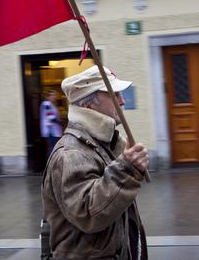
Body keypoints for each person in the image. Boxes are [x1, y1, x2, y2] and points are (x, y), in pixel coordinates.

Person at [41, 65, 149, 260]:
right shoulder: (71, 153)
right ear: (89, 105)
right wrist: (126, 169)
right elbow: (89, 213)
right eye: (114, 95)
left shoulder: (103, 143)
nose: (122, 101)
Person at [40, 89, 63, 156]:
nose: (54, 97)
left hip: (54, 130)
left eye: (55, 95)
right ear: (48, 97)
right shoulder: (47, 104)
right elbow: (51, 117)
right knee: (53, 149)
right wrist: (61, 122)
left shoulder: (52, 105)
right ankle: (51, 164)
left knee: (54, 149)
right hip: (51, 131)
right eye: (52, 95)